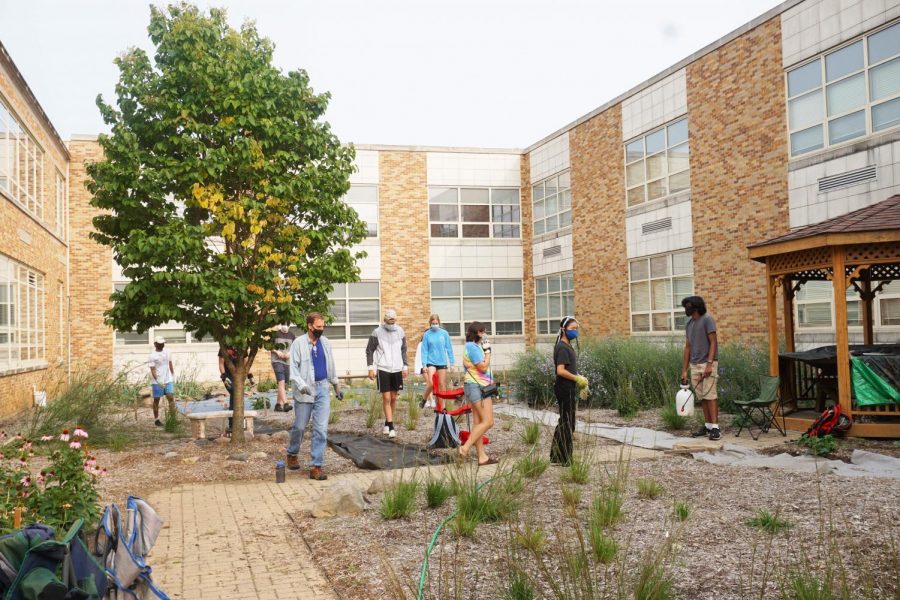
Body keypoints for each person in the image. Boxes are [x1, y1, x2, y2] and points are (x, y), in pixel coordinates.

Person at [287, 312, 343, 480]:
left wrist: (336, 385)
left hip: (323, 389)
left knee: (320, 429)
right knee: (300, 426)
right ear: (310, 326)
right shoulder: (298, 344)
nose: (321, 329)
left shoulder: (325, 343)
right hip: (305, 391)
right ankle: (292, 453)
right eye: (318, 326)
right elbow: (293, 369)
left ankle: (315, 466)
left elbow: (330, 365)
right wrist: (302, 385)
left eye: (323, 326)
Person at [680, 296, 720, 441]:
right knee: (702, 397)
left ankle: (716, 428)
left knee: (711, 395)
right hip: (694, 365)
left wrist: (710, 363)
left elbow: (713, 342)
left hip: (707, 363)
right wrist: (684, 369)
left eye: (688, 306)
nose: (686, 309)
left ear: (696, 307)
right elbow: (687, 347)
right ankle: (708, 426)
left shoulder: (707, 319)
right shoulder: (689, 323)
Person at [458, 322, 497, 465]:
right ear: (479, 332)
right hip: (478, 387)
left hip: (477, 386)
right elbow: (483, 367)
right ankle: (464, 448)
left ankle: (482, 457)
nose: (485, 335)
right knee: (488, 422)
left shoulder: (473, 347)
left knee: (478, 423)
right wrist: (488, 353)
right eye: (484, 332)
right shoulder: (472, 347)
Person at [550, 316, 588, 466]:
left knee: (566, 421)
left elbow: (569, 369)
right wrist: (576, 378)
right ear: (563, 330)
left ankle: (556, 455)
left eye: (576, 329)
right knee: (567, 422)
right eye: (572, 329)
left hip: (568, 386)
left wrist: (579, 378)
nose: (575, 331)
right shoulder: (562, 347)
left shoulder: (567, 346)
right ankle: (565, 459)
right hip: (564, 387)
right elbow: (560, 371)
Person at [366, 309, 408, 438]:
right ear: (384, 320)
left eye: (393, 320)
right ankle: (391, 426)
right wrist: (370, 368)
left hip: (396, 369)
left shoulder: (400, 331)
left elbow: (403, 350)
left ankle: (386, 422)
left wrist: (405, 366)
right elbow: (369, 350)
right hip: (383, 368)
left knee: (394, 398)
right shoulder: (377, 332)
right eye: (389, 321)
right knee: (387, 398)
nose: (392, 323)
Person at [218, 346, 255, 435]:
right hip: (228, 377)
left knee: (236, 397)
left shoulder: (242, 345)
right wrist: (223, 376)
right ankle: (234, 422)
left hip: (239, 376)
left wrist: (250, 376)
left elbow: (246, 362)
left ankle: (235, 423)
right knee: (234, 393)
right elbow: (221, 363)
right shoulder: (224, 346)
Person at [420, 314, 455, 409]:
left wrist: (452, 363)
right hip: (431, 362)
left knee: (442, 384)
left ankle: (442, 407)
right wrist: (424, 365)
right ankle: (424, 399)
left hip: (442, 362)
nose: (434, 324)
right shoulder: (427, 334)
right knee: (431, 383)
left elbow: (449, 348)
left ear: (439, 323)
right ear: (430, 324)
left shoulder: (444, 334)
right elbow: (424, 350)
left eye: (436, 323)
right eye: (433, 323)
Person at [148, 336, 175, 427]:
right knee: (157, 399)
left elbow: (170, 363)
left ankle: (173, 418)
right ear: (155, 344)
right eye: (159, 344)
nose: (162, 345)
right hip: (157, 381)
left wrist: (173, 375)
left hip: (168, 379)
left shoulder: (168, 352)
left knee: (170, 397)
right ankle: (157, 420)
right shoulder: (152, 355)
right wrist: (158, 380)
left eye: (163, 343)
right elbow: (152, 369)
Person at [270, 324, 295, 412]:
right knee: (281, 381)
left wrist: (289, 353)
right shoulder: (275, 334)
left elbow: (294, 348)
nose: (285, 325)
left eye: (287, 324)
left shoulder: (292, 335)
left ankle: (278, 404)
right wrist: (277, 351)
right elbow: (269, 346)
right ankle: (285, 403)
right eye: (283, 323)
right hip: (276, 361)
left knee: (283, 384)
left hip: (287, 362)